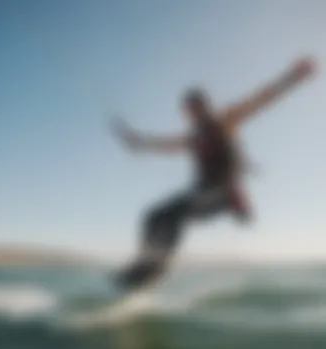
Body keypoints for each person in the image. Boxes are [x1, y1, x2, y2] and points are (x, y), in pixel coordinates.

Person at [111, 57, 316, 290]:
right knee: (153, 216)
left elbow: (260, 100)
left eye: (193, 107)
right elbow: (162, 145)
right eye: (187, 109)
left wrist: (292, 78)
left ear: (204, 105)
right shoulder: (193, 137)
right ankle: (143, 265)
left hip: (223, 195)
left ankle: (154, 271)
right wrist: (136, 140)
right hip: (201, 194)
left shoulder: (224, 120)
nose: (190, 113)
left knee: (176, 215)